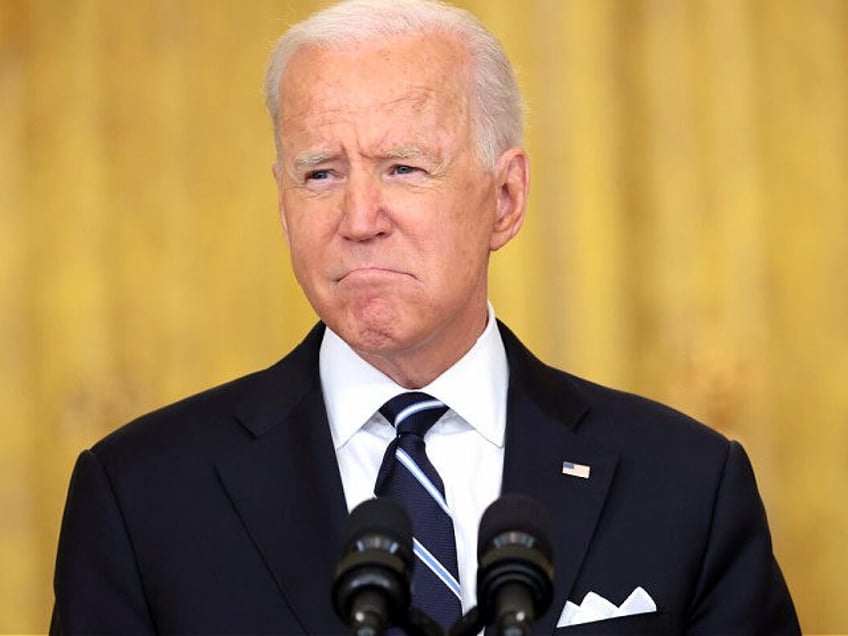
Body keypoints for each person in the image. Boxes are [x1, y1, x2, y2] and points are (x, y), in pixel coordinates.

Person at [50, 0, 800, 633]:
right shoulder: (140, 498)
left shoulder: (684, 486)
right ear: (283, 206)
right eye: (322, 173)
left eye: (403, 168)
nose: (359, 217)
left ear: (504, 200)